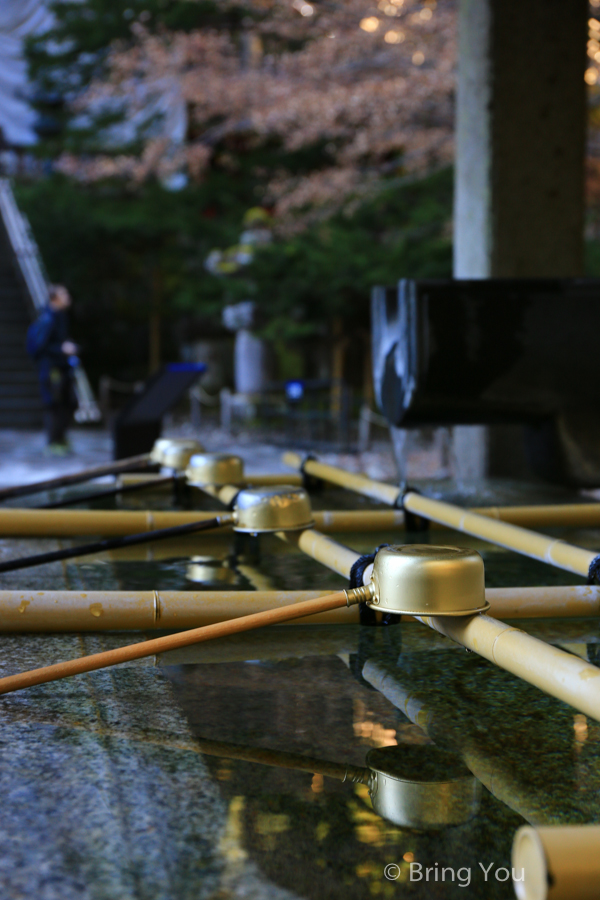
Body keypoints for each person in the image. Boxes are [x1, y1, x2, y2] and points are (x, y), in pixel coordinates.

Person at [26, 285, 78, 455]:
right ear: (54, 298)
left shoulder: (60, 316)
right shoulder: (48, 318)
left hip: (62, 367)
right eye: (64, 294)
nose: (68, 296)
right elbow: (41, 347)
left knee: (68, 403)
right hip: (51, 369)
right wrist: (61, 349)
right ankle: (53, 442)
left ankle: (60, 439)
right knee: (54, 405)